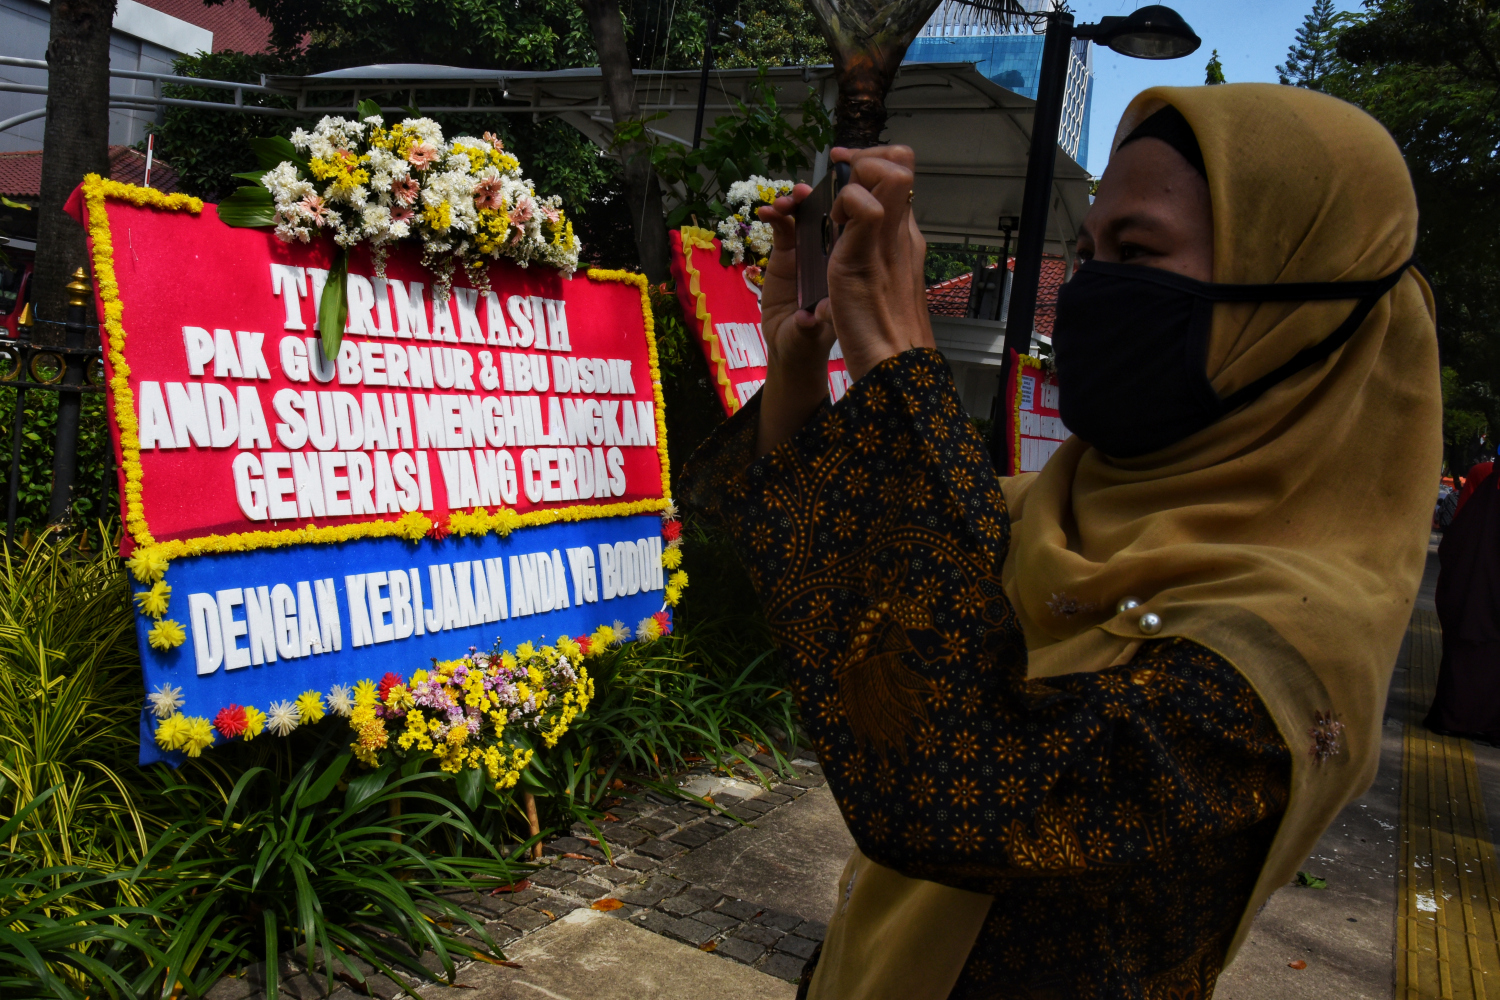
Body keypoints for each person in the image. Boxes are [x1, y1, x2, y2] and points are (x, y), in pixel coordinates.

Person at [680, 82, 1438, 999]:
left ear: (1298, 311)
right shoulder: (1051, 509)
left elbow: (953, 785)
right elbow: (831, 583)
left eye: (1139, 252)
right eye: (1088, 252)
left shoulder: (1289, 653)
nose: (1092, 289)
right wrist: (802, 363)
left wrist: (903, 368)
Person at [1427, 462, 1500, 742]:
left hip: (1473, 583)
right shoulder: (1485, 474)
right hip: (1481, 584)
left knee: (1463, 653)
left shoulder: (1484, 475)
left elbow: (1459, 530)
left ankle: (1454, 716)